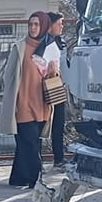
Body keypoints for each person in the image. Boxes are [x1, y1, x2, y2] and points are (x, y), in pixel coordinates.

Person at [0, 11, 54, 194]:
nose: (33, 28)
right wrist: (12, 101)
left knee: (29, 143)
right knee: (29, 142)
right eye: (31, 24)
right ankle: (35, 179)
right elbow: (10, 76)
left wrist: (54, 70)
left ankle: (18, 177)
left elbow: (54, 76)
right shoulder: (20, 47)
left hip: (42, 104)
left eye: (37, 24)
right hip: (23, 103)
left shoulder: (49, 48)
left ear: (44, 26)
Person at [42, 12, 68, 169]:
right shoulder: (45, 43)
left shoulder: (60, 42)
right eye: (59, 23)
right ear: (50, 25)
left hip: (58, 86)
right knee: (44, 122)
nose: (62, 26)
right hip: (48, 85)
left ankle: (59, 158)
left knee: (59, 123)